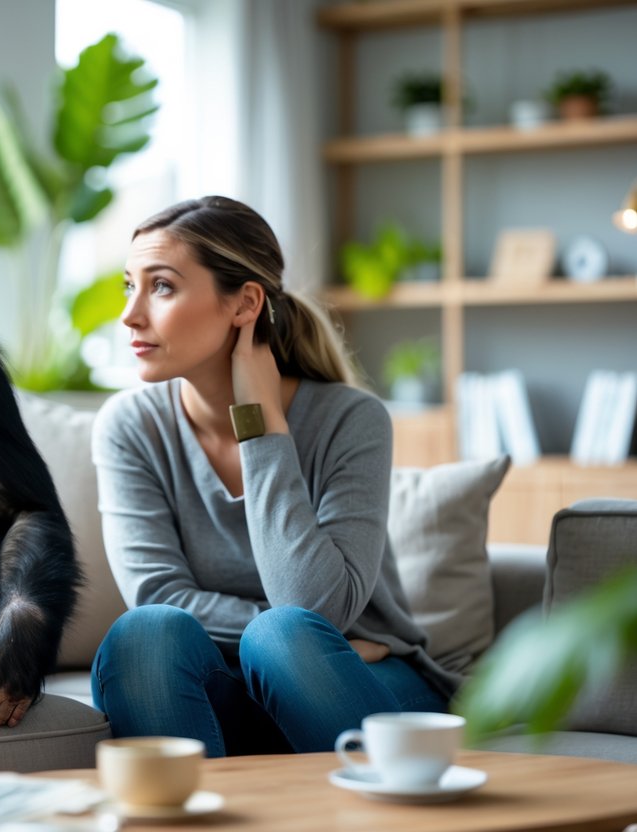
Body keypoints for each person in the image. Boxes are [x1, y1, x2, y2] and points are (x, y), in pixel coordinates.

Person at [89, 195, 457, 757]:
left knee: (284, 636)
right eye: (128, 286)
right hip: (295, 668)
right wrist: (323, 641)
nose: (130, 314)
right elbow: (156, 593)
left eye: (161, 286)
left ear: (244, 303)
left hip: (355, 685)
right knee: (146, 633)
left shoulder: (351, 420)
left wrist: (260, 426)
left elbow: (312, 606)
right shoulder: (129, 426)